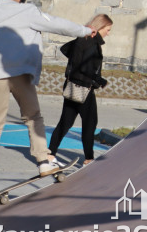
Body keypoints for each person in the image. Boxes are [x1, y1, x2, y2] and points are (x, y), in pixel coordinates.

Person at [0, 0, 95, 197]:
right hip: (20, 72)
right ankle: (43, 162)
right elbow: (58, 24)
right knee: (33, 118)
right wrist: (84, 30)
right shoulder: (28, 12)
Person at [47, 14, 113, 168]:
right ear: (100, 27)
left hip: (71, 86)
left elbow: (65, 49)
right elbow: (85, 67)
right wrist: (99, 80)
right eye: (108, 29)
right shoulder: (91, 43)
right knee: (90, 124)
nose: (109, 33)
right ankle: (89, 159)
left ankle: (50, 154)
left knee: (65, 122)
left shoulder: (82, 39)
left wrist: (74, 60)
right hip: (84, 88)